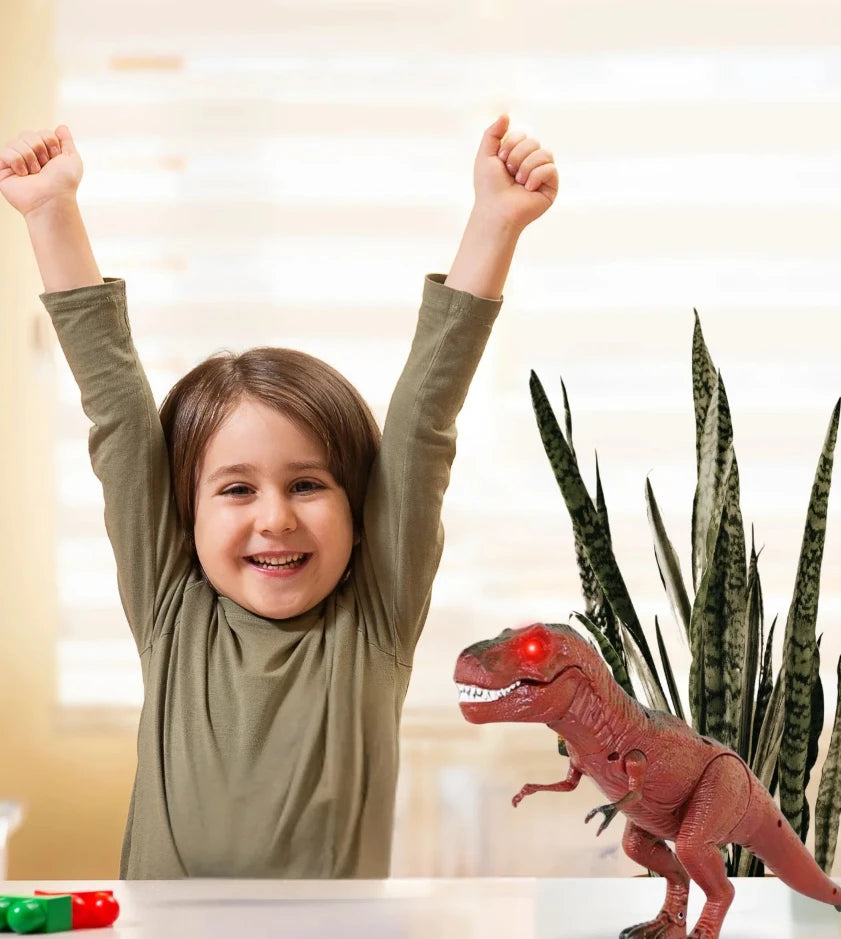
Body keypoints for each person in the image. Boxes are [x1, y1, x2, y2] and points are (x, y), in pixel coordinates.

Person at [0, 115, 558, 878]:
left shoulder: (375, 620)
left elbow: (423, 422)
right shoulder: (172, 609)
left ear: (362, 514)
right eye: (236, 488)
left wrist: (494, 221)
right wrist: (50, 210)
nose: (275, 518)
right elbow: (118, 416)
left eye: (307, 484)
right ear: (183, 513)